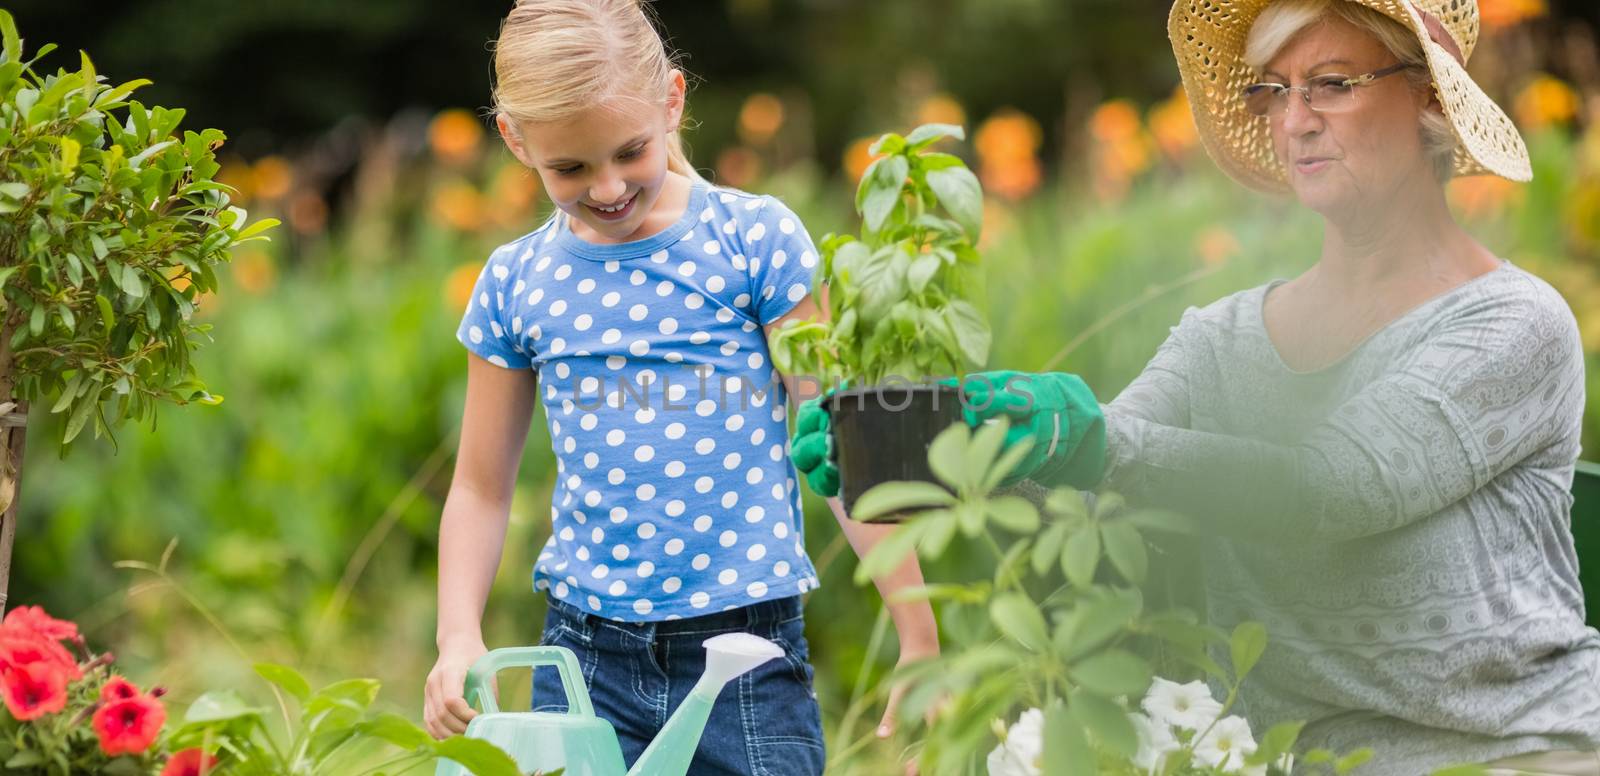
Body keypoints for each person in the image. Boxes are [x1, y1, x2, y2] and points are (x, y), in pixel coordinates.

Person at [792, 0, 1600, 772]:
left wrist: (1085, 438)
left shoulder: (1513, 324)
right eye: (1274, 91)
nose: (1295, 120)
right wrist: (934, 465)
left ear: (1426, 96)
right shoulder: (1223, 339)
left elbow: (1334, 486)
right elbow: (1094, 512)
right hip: (1278, 761)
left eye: (1331, 84)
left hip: (1506, 753)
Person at [421, 1, 939, 773]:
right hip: (585, 659)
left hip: (747, 659)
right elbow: (481, 488)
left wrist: (919, 633)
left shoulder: (752, 241)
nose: (605, 188)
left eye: (629, 152)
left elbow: (839, 438)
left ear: (672, 100)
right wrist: (457, 633)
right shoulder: (515, 282)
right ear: (516, 141)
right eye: (569, 168)